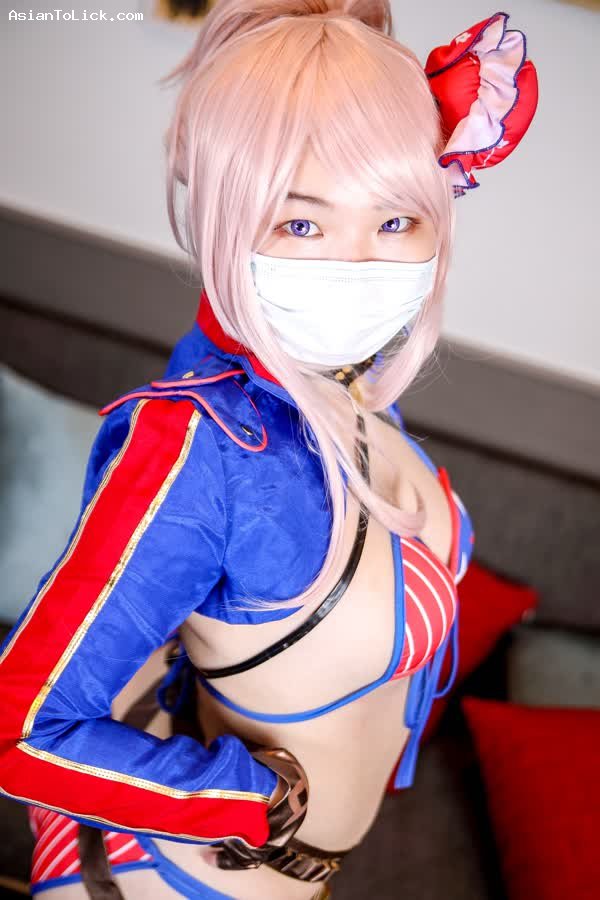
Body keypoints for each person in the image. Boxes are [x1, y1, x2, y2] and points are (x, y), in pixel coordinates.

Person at [0, 2, 538, 898]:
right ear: (229, 222)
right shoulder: (200, 447)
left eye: (395, 220)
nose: (359, 266)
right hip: (168, 882)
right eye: (302, 224)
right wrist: (251, 799)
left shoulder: (345, 383)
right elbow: (21, 731)